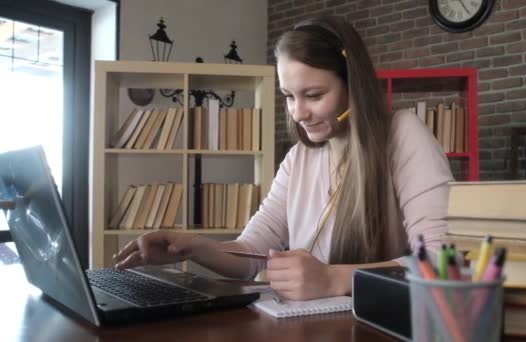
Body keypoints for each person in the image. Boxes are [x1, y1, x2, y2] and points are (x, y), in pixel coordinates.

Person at [114, 16, 453, 301]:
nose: (299, 113)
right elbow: (251, 253)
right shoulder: (298, 158)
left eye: (314, 95)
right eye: (289, 96)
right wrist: (190, 248)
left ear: (354, 84)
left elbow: (442, 261)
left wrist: (334, 279)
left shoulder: (403, 134)